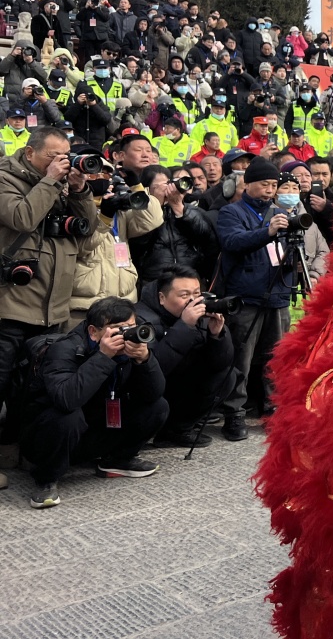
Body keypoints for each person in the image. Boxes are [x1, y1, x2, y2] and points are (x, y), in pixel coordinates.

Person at [0, 127, 98, 486]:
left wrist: (79, 188)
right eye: (53, 156)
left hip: (53, 308)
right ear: (29, 154)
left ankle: (24, 450)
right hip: (10, 305)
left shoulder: (57, 185)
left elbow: (88, 235)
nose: (61, 162)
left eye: (66, 155)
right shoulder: (5, 179)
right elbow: (22, 218)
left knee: (36, 390)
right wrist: (52, 181)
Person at [22, 296, 166, 508]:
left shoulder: (130, 350)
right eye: (118, 328)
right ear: (93, 331)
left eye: (132, 327)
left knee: (158, 407)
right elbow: (67, 399)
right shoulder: (64, 350)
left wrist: (144, 360)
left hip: (96, 427)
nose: (127, 334)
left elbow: (154, 393)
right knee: (67, 417)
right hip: (49, 437)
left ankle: (117, 460)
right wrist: (103, 356)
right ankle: (46, 479)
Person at [216, 157, 296, 441]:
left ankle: (273, 409)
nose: (270, 190)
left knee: (276, 358)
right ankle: (234, 414)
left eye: (274, 185)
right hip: (246, 295)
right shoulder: (231, 212)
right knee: (241, 358)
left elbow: (288, 250)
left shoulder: (281, 211)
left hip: (277, 293)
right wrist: (268, 231)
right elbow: (233, 242)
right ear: (247, 183)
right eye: (264, 184)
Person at [135, 267, 234, 448]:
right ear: (162, 298)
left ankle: (178, 430)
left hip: (181, 383)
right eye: (184, 295)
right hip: (150, 390)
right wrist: (185, 326)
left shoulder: (200, 312)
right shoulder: (141, 318)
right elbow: (154, 370)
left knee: (228, 376)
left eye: (196, 293)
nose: (192, 300)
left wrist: (217, 334)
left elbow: (221, 363)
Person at [68, 154, 164, 328]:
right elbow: (82, 248)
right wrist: (104, 217)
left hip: (124, 303)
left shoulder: (117, 206)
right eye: (94, 174)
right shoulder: (70, 205)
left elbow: (152, 220)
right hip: (83, 306)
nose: (100, 178)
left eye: (106, 174)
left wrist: (136, 187)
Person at [130, 165, 219, 287]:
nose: (167, 190)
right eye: (161, 186)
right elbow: (139, 246)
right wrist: (155, 208)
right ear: (147, 189)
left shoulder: (189, 210)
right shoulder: (138, 215)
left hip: (190, 278)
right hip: (154, 281)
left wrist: (178, 208)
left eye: (168, 184)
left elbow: (206, 238)